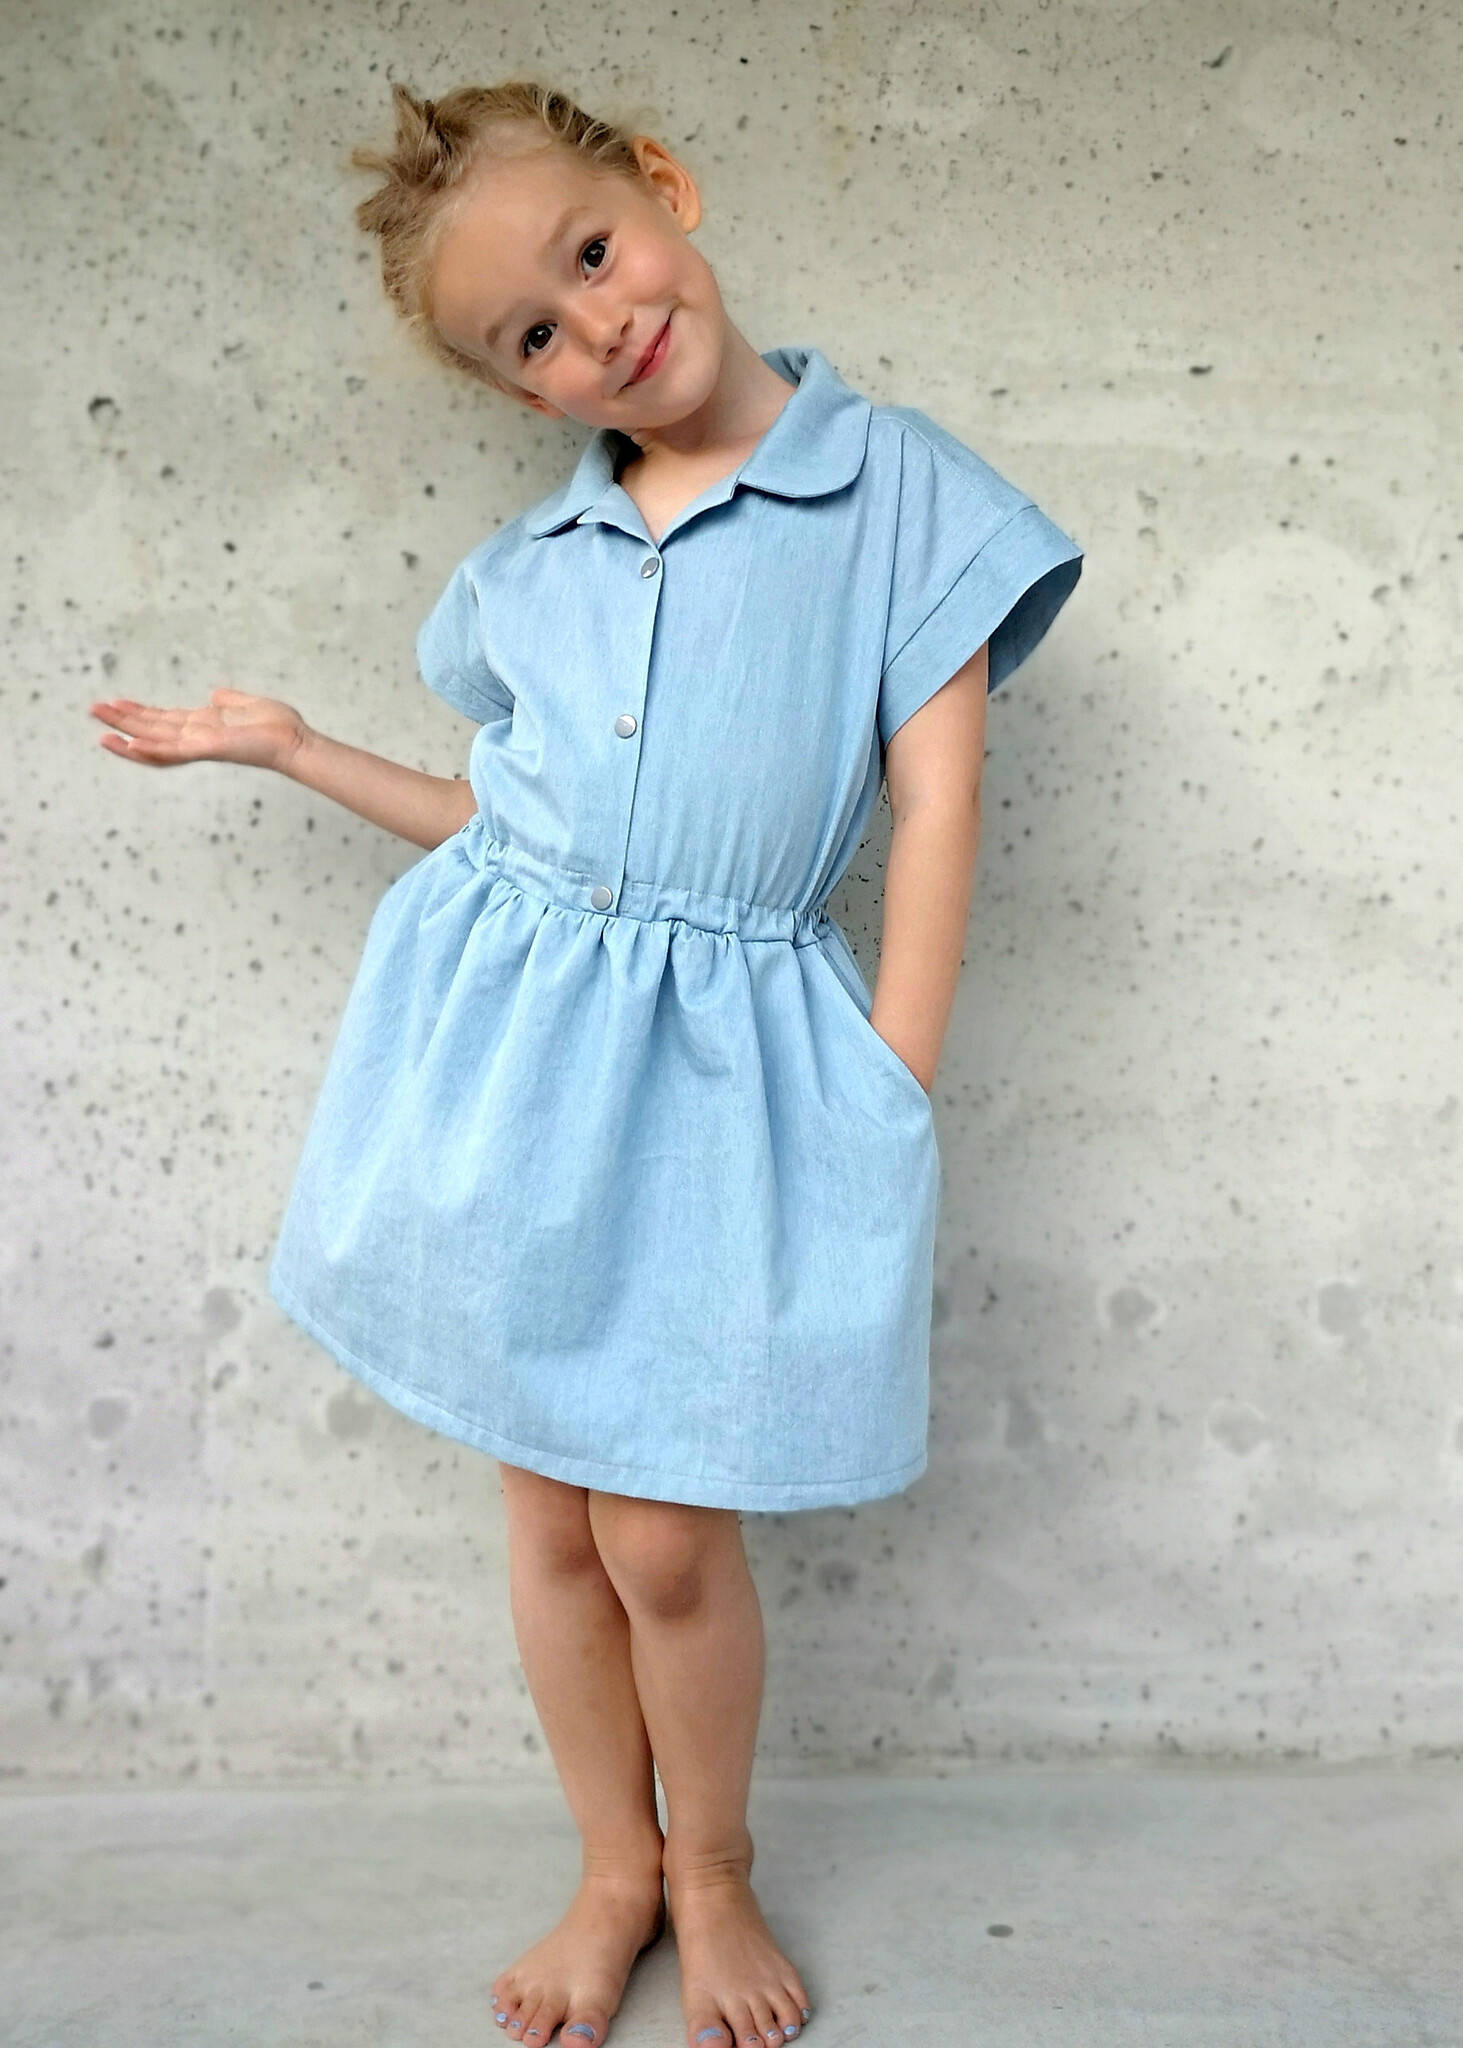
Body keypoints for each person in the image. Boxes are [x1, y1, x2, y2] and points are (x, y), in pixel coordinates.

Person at [91, 78, 1082, 2048]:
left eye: (596, 256)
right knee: (549, 1518)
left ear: (664, 189)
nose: (597, 327)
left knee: (665, 1534)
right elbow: (516, 834)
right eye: (531, 336)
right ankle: (610, 1866)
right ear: (510, 388)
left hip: (726, 1086)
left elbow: (936, 807)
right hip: (515, 1065)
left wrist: (892, 1073)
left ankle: (710, 1869)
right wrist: (295, 749)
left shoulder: (903, 495)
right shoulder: (533, 571)